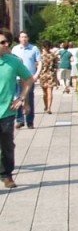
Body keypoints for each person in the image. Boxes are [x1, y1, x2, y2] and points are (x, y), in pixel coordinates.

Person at [0, 29, 35, 188]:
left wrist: (22, 98)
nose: (6, 44)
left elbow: (28, 79)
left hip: (7, 110)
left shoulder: (13, 62)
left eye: (6, 42)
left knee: (7, 144)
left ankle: (7, 175)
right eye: (2, 42)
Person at [11, 31, 40, 129]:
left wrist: (37, 74)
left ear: (28, 38)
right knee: (18, 97)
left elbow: (39, 62)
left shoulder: (34, 48)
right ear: (19, 39)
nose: (24, 39)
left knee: (29, 98)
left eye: (25, 37)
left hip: (29, 78)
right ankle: (19, 120)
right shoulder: (15, 49)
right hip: (18, 77)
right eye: (22, 37)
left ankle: (30, 121)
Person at [38, 41, 59, 114]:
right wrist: (56, 78)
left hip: (43, 75)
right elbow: (56, 67)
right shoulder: (53, 56)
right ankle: (49, 108)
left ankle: (46, 106)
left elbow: (38, 67)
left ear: (43, 47)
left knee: (44, 93)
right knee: (50, 92)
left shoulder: (40, 56)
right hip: (51, 75)